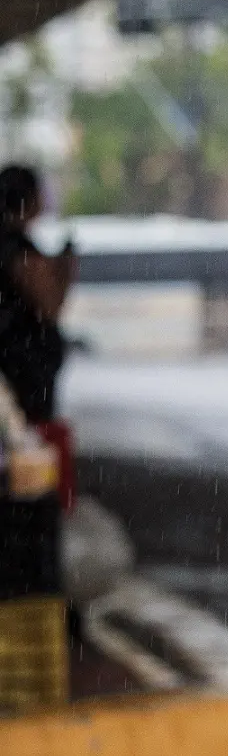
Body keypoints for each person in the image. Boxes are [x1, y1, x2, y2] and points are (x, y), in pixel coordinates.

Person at [0, 165, 76, 599]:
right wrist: (64, 268)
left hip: (18, 398)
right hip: (20, 403)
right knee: (27, 506)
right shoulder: (15, 250)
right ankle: (30, 595)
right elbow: (49, 304)